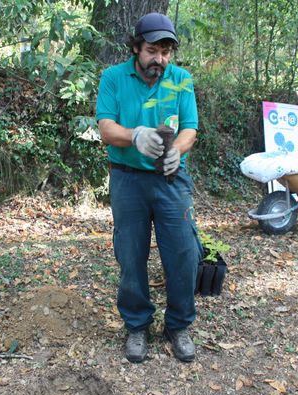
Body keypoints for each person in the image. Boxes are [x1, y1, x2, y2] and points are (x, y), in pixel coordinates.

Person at [96, 13, 201, 363]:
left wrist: (177, 151)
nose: (160, 59)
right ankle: (138, 325)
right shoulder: (113, 77)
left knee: (184, 253)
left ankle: (178, 325)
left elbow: (189, 128)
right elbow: (107, 128)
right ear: (136, 47)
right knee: (130, 254)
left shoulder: (181, 79)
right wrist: (135, 135)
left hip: (172, 180)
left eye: (166, 52)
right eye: (153, 50)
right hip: (127, 179)